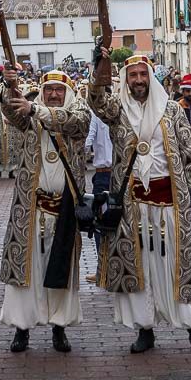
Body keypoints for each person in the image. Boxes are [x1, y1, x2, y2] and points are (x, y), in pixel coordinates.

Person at [89, 51, 191, 355]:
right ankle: (144, 329)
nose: (138, 81)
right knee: (140, 269)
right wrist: (101, 66)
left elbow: (190, 157)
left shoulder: (172, 111)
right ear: (125, 79)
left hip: (172, 203)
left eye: (142, 74)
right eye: (132, 75)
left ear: (151, 77)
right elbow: (96, 99)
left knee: (179, 267)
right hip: (133, 207)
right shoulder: (117, 110)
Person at [0, 69, 90, 352]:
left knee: (60, 267)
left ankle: (59, 328)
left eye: (58, 90)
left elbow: (74, 124)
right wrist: (10, 86)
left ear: (68, 93)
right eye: (48, 89)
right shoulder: (29, 115)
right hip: (31, 208)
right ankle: (21, 328)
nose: (53, 94)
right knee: (26, 272)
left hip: (64, 208)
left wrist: (36, 108)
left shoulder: (79, 112)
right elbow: (13, 112)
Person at [84, 106, 114, 283]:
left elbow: (87, 142)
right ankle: (104, 268)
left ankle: (107, 269)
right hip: (104, 175)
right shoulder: (95, 115)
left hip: (113, 174)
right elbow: (87, 140)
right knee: (101, 223)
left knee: (102, 224)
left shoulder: (97, 114)